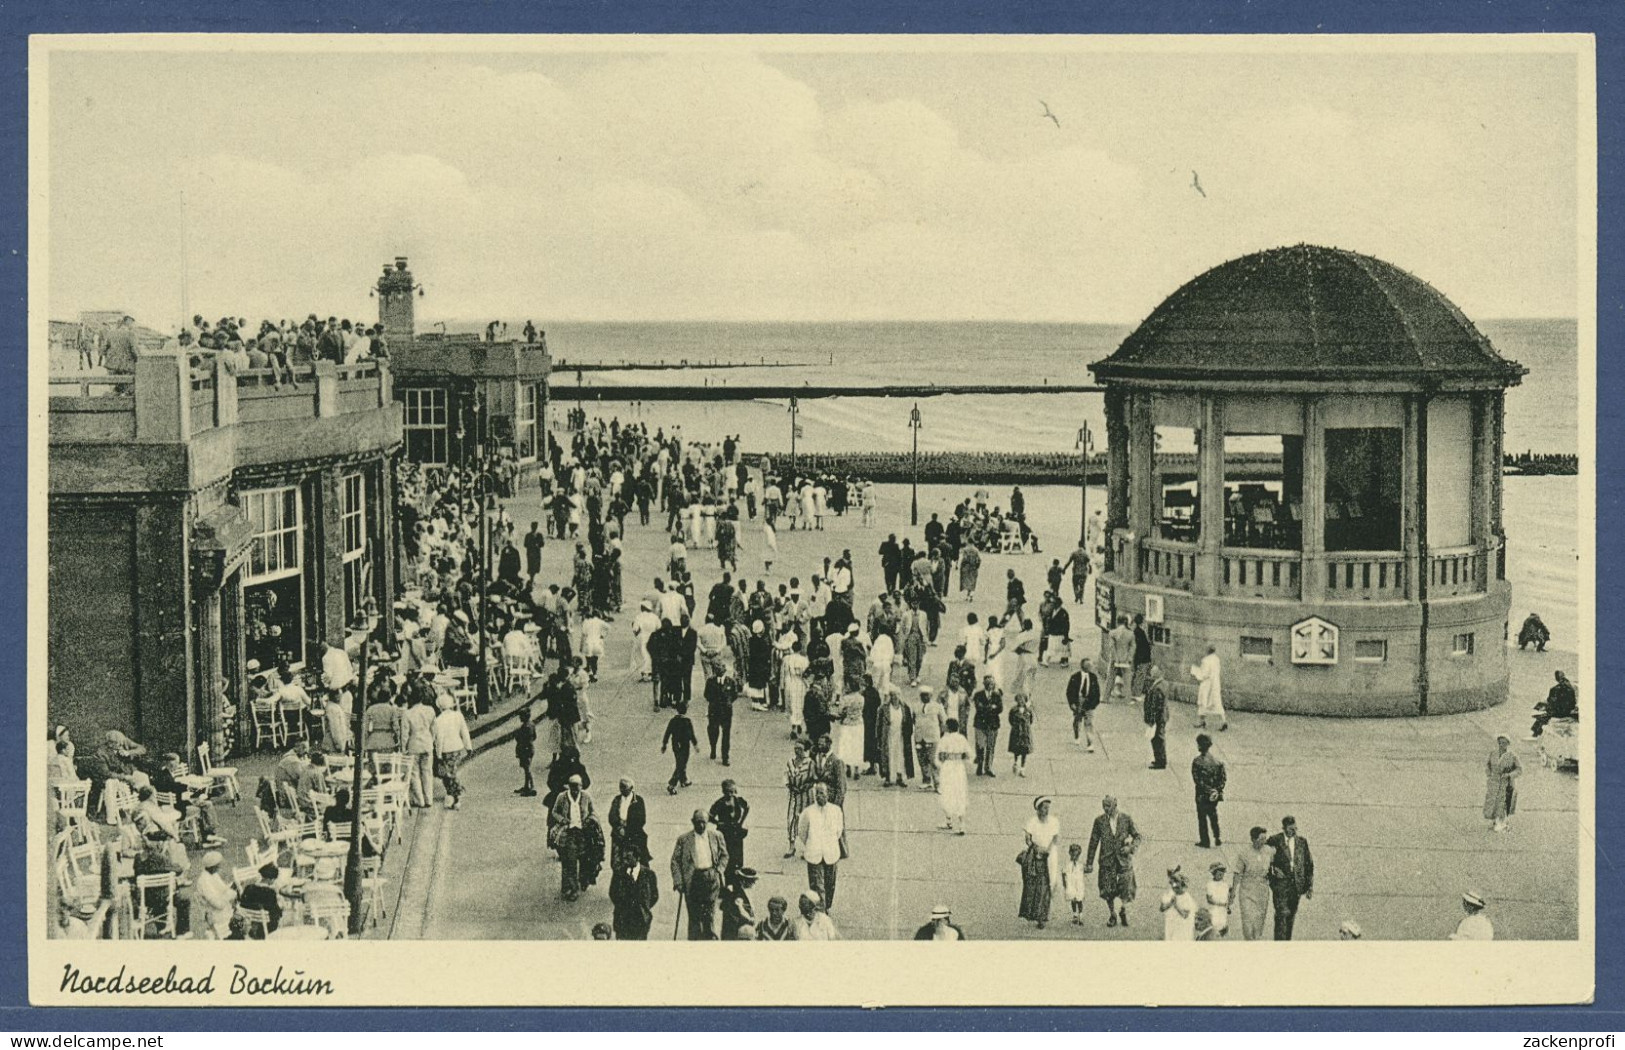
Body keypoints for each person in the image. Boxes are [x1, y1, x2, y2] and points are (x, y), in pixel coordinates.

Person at [670, 808, 728, 940]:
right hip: (693, 880)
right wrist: (678, 881)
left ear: (707, 822)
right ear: (692, 822)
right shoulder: (684, 839)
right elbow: (674, 861)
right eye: (698, 822)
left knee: (709, 915)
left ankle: (709, 941)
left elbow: (725, 855)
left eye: (703, 822)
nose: (701, 825)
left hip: (711, 879)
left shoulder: (716, 836)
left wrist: (718, 870)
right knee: (694, 916)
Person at [1084, 795, 1141, 927]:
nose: (1105, 809)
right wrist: (1089, 863)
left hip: (1123, 860)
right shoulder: (1099, 821)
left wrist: (1130, 848)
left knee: (1126, 887)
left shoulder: (1126, 819)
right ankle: (1112, 914)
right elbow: (1093, 842)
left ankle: (1123, 909)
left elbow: (1138, 836)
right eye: (1103, 806)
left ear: (1115, 805)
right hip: (1107, 860)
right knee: (1107, 889)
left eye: (1108, 806)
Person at [796, 781, 845, 910]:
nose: (819, 796)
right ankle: (820, 910)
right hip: (814, 853)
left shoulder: (836, 811)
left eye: (822, 793)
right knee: (817, 886)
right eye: (817, 793)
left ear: (828, 794)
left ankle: (826, 906)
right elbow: (802, 832)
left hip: (831, 853)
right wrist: (812, 844)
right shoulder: (808, 812)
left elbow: (839, 831)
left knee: (830, 884)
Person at [549, 773, 597, 901]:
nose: (575, 789)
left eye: (578, 786)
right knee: (569, 861)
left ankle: (578, 883)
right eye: (573, 786)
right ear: (569, 786)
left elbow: (593, 812)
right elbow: (554, 812)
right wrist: (562, 819)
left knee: (584, 859)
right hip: (569, 833)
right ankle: (572, 889)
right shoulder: (562, 797)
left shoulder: (586, 797)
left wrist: (590, 820)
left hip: (583, 833)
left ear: (581, 786)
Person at [1266, 816, 1315, 940]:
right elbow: (1265, 860)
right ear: (1284, 828)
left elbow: (1309, 864)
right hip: (1280, 885)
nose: (1294, 831)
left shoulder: (1302, 842)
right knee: (1281, 914)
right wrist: (1273, 871)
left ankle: (1287, 942)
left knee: (1291, 916)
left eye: (1295, 828)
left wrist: (1309, 886)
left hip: (1296, 886)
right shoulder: (1274, 840)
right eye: (1290, 829)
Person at [1019, 796, 1061, 929]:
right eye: (1044, 808)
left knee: (1048, 885)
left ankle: (1043, 914)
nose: (1046, 810)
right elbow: (1028, 839)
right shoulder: (1032, 822)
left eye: (1048, 808)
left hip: (1049, 856)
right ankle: (1037, 915)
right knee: (1035, 886)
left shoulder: (1053, 821)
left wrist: (1047, 850)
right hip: (1035, 857)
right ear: (1038, 809)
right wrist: (1036, 848)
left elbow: (1055, 839)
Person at [1234, 825, 1274, 941]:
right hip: (1247, 888)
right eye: (1261, 839)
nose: (1263, 842)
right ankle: (1249, 939)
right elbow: (1237, 873)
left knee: (1259, 917)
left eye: (1264, 839)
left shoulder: (1269, 851)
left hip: (1262, 889)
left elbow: (1273, 866)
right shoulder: (1244, 853)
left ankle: (1256, 939)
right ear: (1253, 839)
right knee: (1247, 917)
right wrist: (1233, 892)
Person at [432, 695, 473, 810]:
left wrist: (438, 753)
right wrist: (468, 746)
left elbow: (438, 738)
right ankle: (453, 794)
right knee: (452, 771)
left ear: (439, 706)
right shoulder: (458, 715)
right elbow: (464, 731)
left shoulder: (438, 720)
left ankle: (455, 795)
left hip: (445, 750)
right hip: (457, 748)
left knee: (448, 773)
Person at [708, 779, 751, 881]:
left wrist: (741, 821)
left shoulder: (738, 800)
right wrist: (718, 823)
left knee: (737, 854)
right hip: (725, 833)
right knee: (725, 854)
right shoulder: (719, 803)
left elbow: (747, 807)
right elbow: (710, 816)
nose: (730, 794)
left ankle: (737, 875)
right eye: (728, 791)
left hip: (736, 831)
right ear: (723, 791)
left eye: (732, 791)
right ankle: (727, 878)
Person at [402, 690, 437, 808]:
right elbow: (434, 729)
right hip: (427, 743)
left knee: (414, 773)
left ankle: (419, 800)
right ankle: (429, 799)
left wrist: (403, 748)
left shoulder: (407, 714)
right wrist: (431, 741)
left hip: (414, 745)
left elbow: (405, 734)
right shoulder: (430, 710)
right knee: (427, 772)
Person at [936, 718, 971, 834]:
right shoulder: (962, 739)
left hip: (948, 767)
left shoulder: (944, 739)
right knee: (960, 793)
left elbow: (939, 756)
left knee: (947, 792)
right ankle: (962, 824)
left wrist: (944, 760)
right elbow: (969, 755)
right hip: (959, 767)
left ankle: (948, 820)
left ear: (948, 728)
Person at [1191, 732, 1226, 848]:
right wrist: (1216, 790)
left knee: (1202, 818)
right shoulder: (1218, 762)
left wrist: (1208, 790)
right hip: (1214, 795)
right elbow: (1223, 779)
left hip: (1202, 795)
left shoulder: (1197, 762)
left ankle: (1205, 840)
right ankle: (1217, 837)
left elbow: (1197, 781)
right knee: (1213, 815)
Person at [783, 740, 817, 859]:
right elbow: (786, 778)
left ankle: (807, 847)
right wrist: (792, 787)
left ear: (805, 750)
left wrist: (804, 787)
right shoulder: (790, 762)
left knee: (806, 821)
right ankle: (792, 846)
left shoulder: (810, 763)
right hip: (794, 795)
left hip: (806, 796)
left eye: (800, 749)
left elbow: (814, 779)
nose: (797, 751)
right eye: (795, 748)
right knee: (791, 819)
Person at [192, 850, 236, 940]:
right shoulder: (204, 881)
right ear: (213, 866)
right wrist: (230, 894)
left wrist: (233, 887)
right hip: (215, 913)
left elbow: (223, 889)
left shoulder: (213, 875)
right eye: (218, 865)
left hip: (222, 907)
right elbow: (218, 904)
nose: (220, 867)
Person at [1483, 734, 1522, 833]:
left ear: (1508, 744)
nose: (1501, 745)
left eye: (1504, 743)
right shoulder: (1493, 753)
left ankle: (1502, 822)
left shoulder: (1512, 756)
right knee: (1492, 802)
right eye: (1500, 743)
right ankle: (1495, 820)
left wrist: (1509, 775)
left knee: (1503, 803)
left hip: (1506, 783)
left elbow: (1519, 770)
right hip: (1494, 782)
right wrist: (1489, 773)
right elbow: (1487, 765)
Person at [607, 778, 650, 868]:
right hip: (618, 834)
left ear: (631, 788)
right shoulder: (617, 799)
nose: (622, 790)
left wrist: (627, 830)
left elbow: (641, 819)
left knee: (635, 860)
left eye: (625, 788)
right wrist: (619, 828)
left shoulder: (638, 801)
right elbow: (612, 816)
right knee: (617, 862)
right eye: (621, 788)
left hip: (634, 834)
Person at [878, 688, 915, 787]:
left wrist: (908, 734)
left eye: (897, 695)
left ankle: (900, 777)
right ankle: (887, 777)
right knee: (888, 755)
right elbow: (879, 724)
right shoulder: (884, 708)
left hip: (900, 736)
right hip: (888, 736)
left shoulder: (905, 707)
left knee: (900, 756)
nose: (895, 697)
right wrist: (879, 737)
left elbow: (909, 723)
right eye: (893, 695)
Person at [238, 863, 284, 938]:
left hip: (249, 922)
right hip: (266, 925)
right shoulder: (270, 892)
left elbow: (242, 903)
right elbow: (276, 911)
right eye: (274, 879)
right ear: (270, 879)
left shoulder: (248, 888)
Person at [661, 703, 698, 795]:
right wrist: (695, 744)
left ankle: (683, 780)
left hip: (676, 745)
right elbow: (691, 734)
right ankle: (672, 784)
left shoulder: (673, 721)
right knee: (681, 764)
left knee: (680, 762)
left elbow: (667, 733)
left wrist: (664, 744)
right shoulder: (687, 721)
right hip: (685, 745)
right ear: (685, 710)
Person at [972, 675, 1004, 777]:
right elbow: (979, 707)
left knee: (990, 746)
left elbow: (1000, 709)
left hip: (993, 725)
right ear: (984, 684)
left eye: (992, 683)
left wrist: (989, 708)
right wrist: (991, 707)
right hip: (980, 724)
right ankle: (980, 765)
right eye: (988, 683)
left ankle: (988, 767)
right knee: (980, 745)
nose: (990, 685)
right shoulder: (978, 695)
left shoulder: (997, 695)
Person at [1067, 658, 1101, 752]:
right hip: (1078, 701)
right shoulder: (1075, 677)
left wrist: (1093, 704)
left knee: (1089, 723)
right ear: (1083, 666)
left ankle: (1090, 743)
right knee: (1077, 720)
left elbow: (1097, 692)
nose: (1091, 667)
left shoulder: (1093, 677)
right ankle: (1077, 735)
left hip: (1089, 702)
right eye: (1089, 665)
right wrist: (1072, 703)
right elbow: (1069, 691)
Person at [913, 687, 945, 791]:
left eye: (927, 695)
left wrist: (941, 734)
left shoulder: (937, 706)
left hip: (933, 737)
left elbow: (943, 721)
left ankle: (938, 783)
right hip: (919, 737)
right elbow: (914, 719)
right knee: (922, 759)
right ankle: (926, 780)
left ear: (931, 695)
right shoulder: (916, 706)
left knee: (934, 761)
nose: (924, 697)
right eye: (922, 695)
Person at [1191, 645, 1228, 731]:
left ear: (1208, 651)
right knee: (1217, 703)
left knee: (1203, 702)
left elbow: (1204, 674)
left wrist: (1195, 671)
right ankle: (1223, 721)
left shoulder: (1206, 660)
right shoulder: (1217, 659)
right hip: (1215, 684)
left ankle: (1202, 721)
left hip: (1207, 684)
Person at [1531, 670, 1578, 737]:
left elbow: (1551, 702)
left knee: (1541, 719)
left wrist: (1546, 708)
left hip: (1559, 713)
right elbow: (1573, 703)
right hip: (1568, 712)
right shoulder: (1571, 688)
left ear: (1557, 678)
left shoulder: (1554, 689)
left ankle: (1536, 735)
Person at [705, 670, 738, 766]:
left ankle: (725, 757)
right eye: (717, 668)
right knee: (713, 731)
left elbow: (734, 695)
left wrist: (728, 702)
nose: (719, 670)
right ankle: (713, 748)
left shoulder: (730, 681)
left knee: (726, 734)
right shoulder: (710, 682)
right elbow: (706, 695)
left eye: (721, 667)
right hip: (714, 710)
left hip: (726, 711)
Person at [720, 866, 758, 940]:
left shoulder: (741, 891)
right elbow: (741, 912)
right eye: (752, 881)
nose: (754, 883)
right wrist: (750, 919)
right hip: (735, 930)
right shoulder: (737, 894)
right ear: (743, 881)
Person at [1143, 665, 1169, 769]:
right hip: (1163, 716)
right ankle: (1160, 759)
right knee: (1159, 738)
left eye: (1153, 671)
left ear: (1159, 672)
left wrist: (1151, 720)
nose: (1151, 672)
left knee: (1157, 739)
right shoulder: (1164, 684)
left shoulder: (1157, 688)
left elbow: (1155, 706)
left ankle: (1160, 761)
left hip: (1158, 718)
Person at [1160, 867, 1197, 941]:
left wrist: (1176, 905)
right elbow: (1161, 908)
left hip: (1182, 928)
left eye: (1177, 887)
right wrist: (1170, 904)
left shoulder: (1187, 898)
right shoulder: (1169, 894)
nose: (1174, 888)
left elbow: (1185, 915)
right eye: (1173, 885)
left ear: (1183, 886)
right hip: (1170, 925)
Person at [1007, 693, 1034, 776]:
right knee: (1016, 750)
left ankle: (1022, 768)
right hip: (1016, 732)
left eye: (1023, 699)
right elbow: (1010, 720)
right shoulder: (1013, 710)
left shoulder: (1029, 710)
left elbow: (1031, 720)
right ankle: (1015, 763)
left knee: (1024, 751)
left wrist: (1026, 727)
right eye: (1019, 699)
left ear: (1025, 700)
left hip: (1025, 733)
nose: (1021, 701)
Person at [513, 706, 538, 797]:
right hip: (530, 748)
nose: (520, 718)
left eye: (521, 716)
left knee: (527, 769)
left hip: (525, 750)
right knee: (526, 768)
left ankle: (532, 787)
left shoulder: (525, 727)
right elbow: (535, 737)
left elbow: (521, 739)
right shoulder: (532, 724)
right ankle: (526, 786)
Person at [1062, 843, 1088, 925]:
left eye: (1076, 856)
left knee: (1079, 900)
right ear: (1070, 854)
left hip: (1079, 885)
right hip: (1071, 885)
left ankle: (1080, 915)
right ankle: (1075, 915)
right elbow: (1063, 873)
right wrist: (1065, 884)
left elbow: (1087, 870)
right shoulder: (1068, 865)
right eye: (1073, 855)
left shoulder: (1080, 865)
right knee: (1073, 900)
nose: (1074, 857)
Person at [1204, 861, 1231, 937]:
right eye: (1218, 872)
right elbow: (1209, 900)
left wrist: (1228, 903)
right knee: (1214, 931)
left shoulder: (1225, 885)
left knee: (1223, 932)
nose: (1221, 874)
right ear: (1214, 873)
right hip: (1214, 911)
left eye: (1222, 872)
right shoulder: (1210, 884)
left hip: (1223, 912)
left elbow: (1227, 898)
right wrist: (1221, 904)